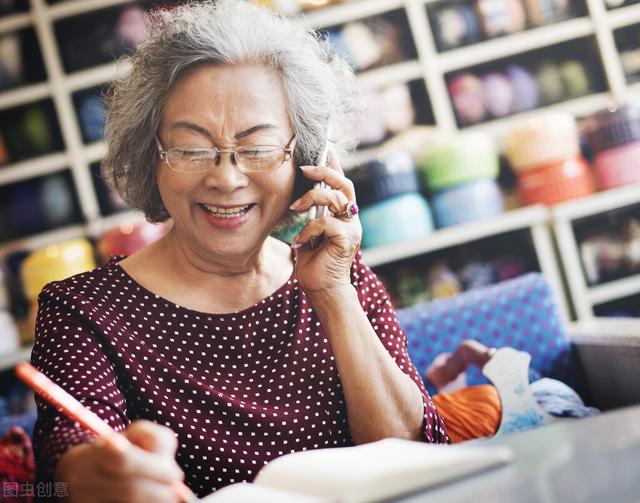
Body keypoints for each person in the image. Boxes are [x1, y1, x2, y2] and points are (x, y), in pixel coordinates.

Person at [30, 1, 448, 501]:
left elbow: (422, 453)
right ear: (151, 156)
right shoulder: (83, 312)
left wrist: (333, 294)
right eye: (191, 147)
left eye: (257, 147)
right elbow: (64, 463)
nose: (226, 178)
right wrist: (85, 477)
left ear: (309, 159)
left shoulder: (338, 269)